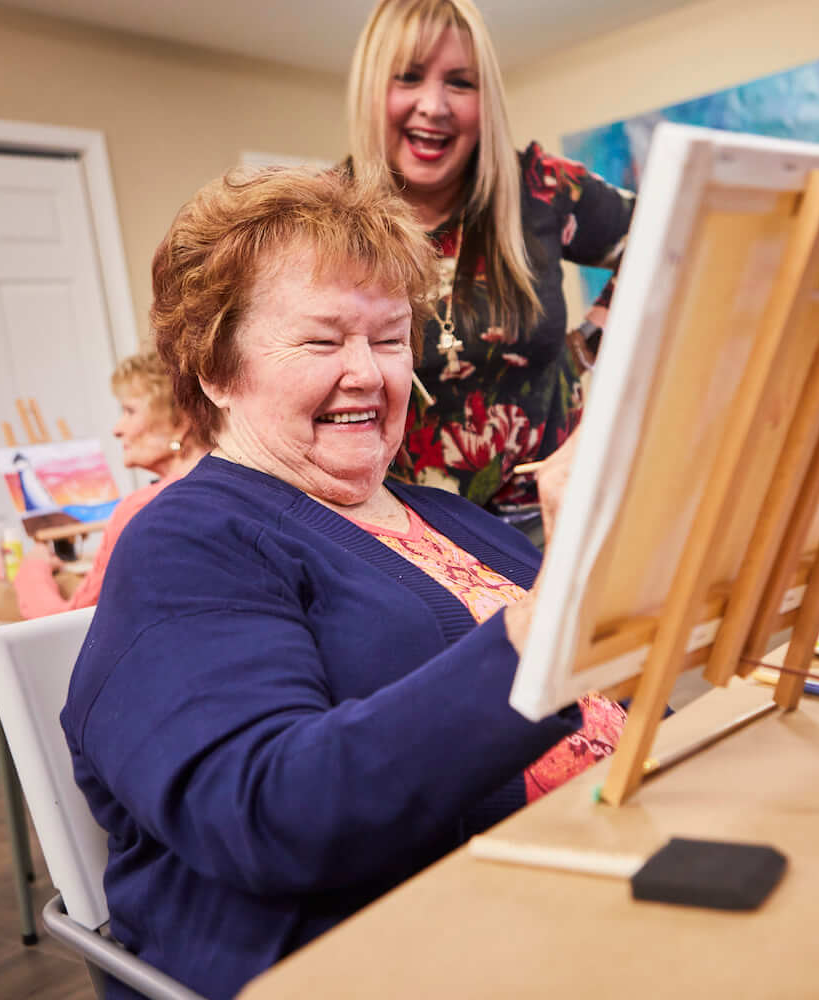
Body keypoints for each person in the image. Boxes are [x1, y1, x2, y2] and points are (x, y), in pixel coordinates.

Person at [61, 167, 626, 1000]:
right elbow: (270, 814)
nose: (368, 373)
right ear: (215, 370)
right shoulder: (187, 541)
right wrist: (555, 616)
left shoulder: (443, 513)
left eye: (390, 339)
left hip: (597, 875)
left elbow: (618, 687)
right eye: (324, 342)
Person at [346, 0, 635, 532]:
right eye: (408, 77)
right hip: (405, 535)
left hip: (556, 521)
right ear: (372, 88)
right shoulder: (329, 216)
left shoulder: (540, 188)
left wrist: (585, 346)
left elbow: (663, 236)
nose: (434, 106)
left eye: (460, 83)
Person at [13, 352, 208, 618]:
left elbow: (66, 620)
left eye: (130, 411)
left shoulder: (142, 507)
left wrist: (33, 569)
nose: (117, 429)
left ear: (181, 421)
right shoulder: (231, 481)